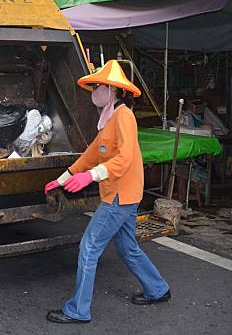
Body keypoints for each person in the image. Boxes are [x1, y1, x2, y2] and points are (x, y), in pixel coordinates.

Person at [44, 60, 171, 324]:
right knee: (127, 247)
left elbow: (123, 159)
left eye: (97, 86)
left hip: (118, 197)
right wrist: (63, 178)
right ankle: (158, 289)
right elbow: (91, 155)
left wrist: (90, 176)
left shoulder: (124, 117)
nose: (93, 92)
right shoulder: (109, 119)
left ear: (111, 90)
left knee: (89, 248)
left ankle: (78, 310)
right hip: (124, 195)